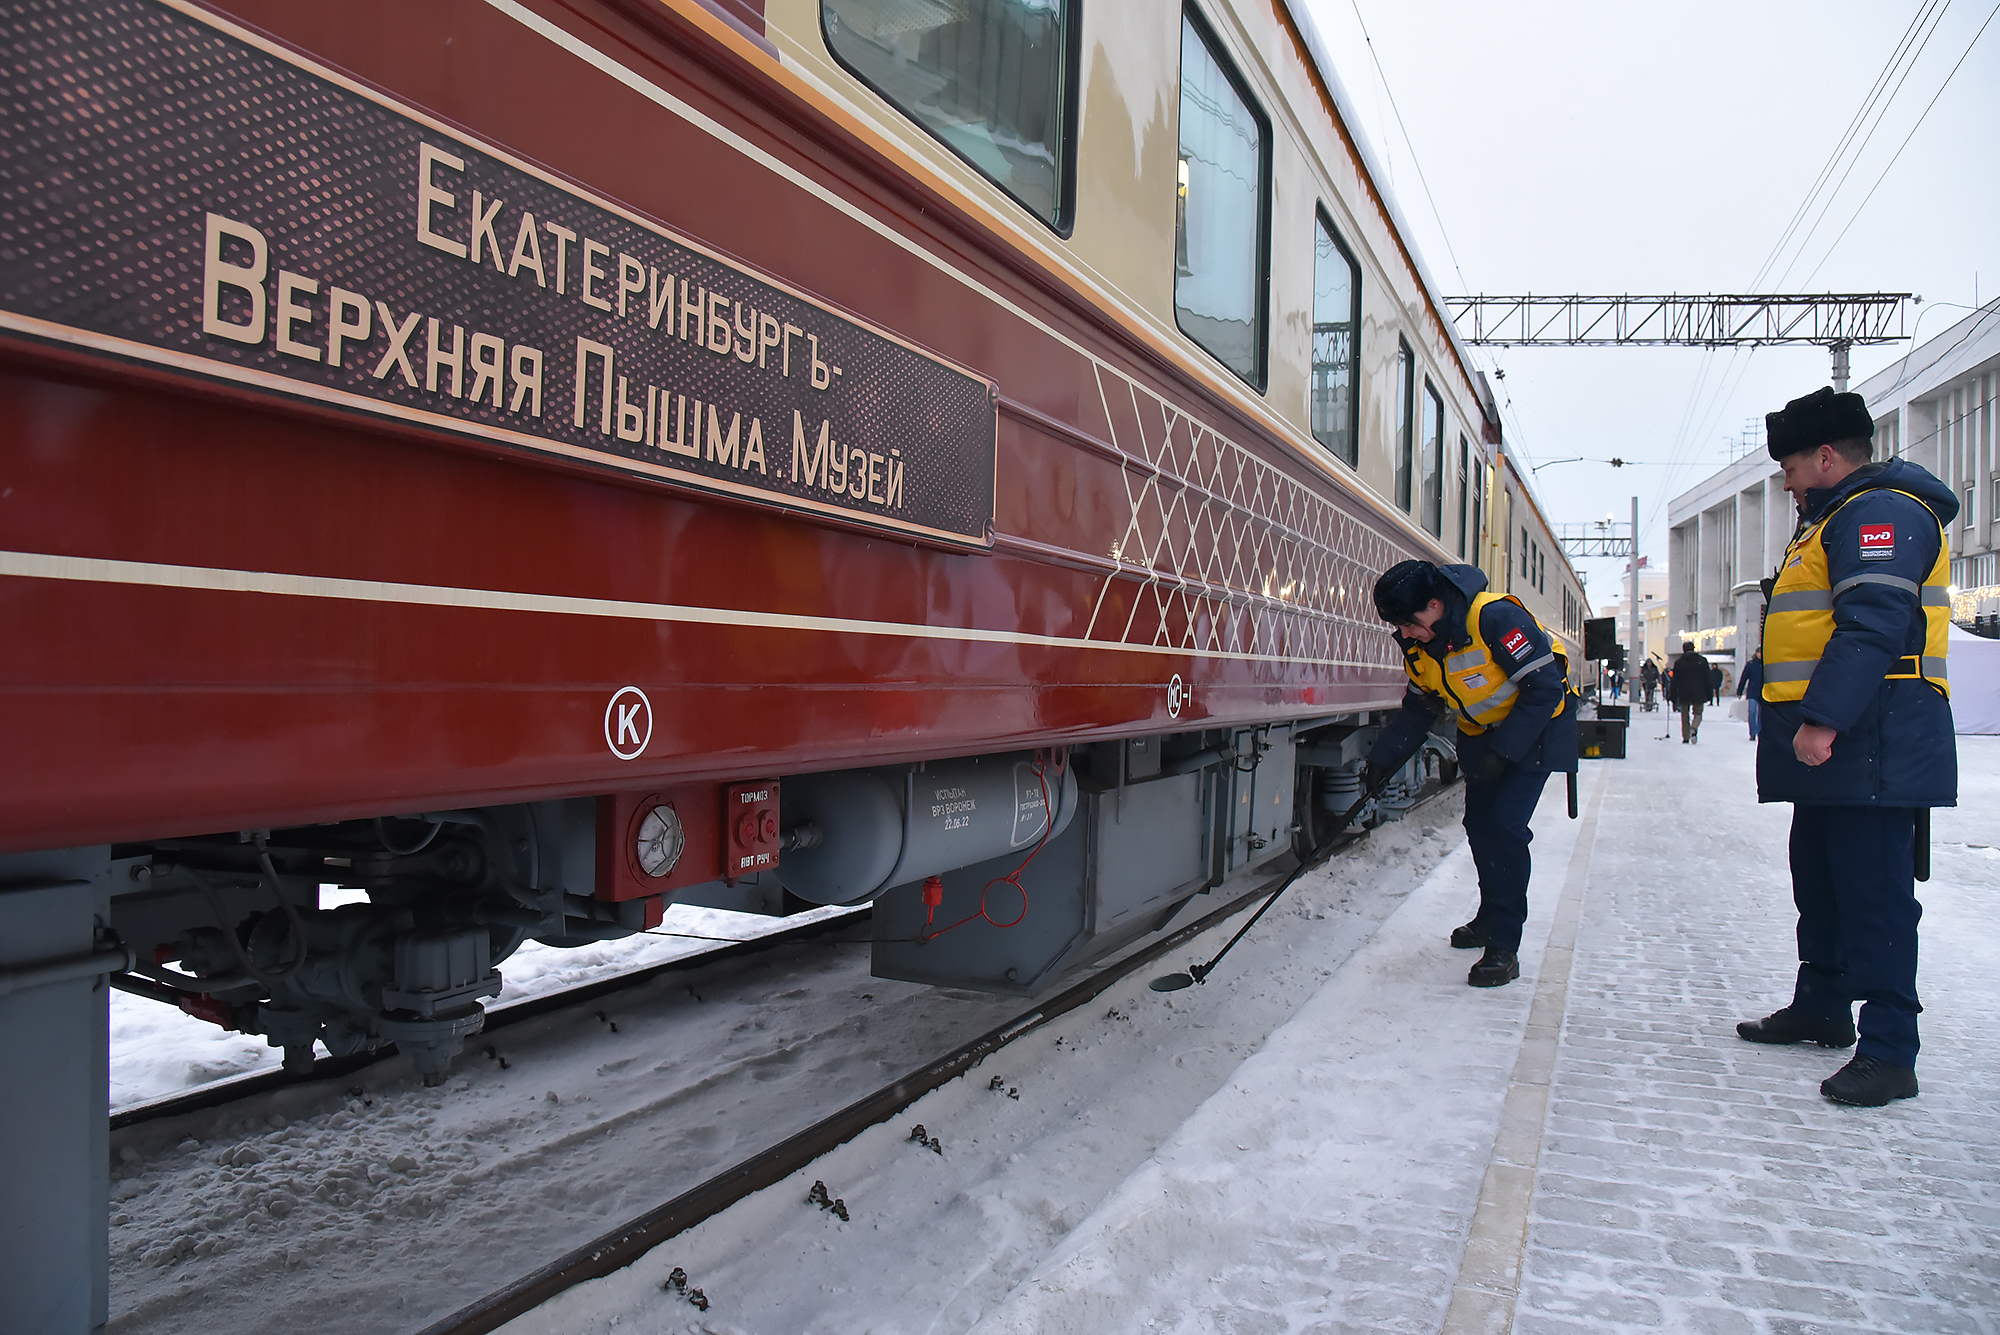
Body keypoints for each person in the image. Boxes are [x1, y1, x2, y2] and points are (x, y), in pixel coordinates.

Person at [1736, 386, 1956, 1107]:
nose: (1789, 483)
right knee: (1822, 881)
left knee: (1875, 898)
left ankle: (1890, 1050)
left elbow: (1872, 626)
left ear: (1827, 456)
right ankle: (1823, 1003)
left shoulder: (1880, 514)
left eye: (1793, 468)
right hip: (1847, 746)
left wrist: (1822, 720)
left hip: (1873, 740)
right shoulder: (1838, 514)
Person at [1363, 560, 1579, 988]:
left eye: (1410, 622)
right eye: (1397, 625)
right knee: (1479, 826)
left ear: (1436, 603)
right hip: (1482, 733)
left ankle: (1504, 945)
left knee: (1505, 827)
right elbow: (1421, 707)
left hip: (1537, 729)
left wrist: (1504, 752)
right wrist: (1381, 760)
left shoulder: (1495, 618)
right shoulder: (1420, 643)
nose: (1404, 632)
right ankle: (1488, 917)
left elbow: (1544, 689)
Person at [1670, 641, 1710, 743]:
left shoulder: (1679, 662)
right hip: (1699, 691)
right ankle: (1694, 726)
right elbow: (1707, 678)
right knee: (1698, 714)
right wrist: (1709, 694)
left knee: (1684, 715)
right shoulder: (1702, 661)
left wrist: (1672, 695)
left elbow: (1675, 680)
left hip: (1684, 691)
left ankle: (1686, 736)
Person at [1738, 648, 1765, 740]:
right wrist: (1740, 690)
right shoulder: (1751, 665)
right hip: (1753, 692)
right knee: (1752, 712)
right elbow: (1744, 678)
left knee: (1762, 714)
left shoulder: (1766, 664)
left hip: (1764, 692)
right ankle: (1753, 732)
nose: (1760, 655)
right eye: (1759, 653)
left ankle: (1760, 731)